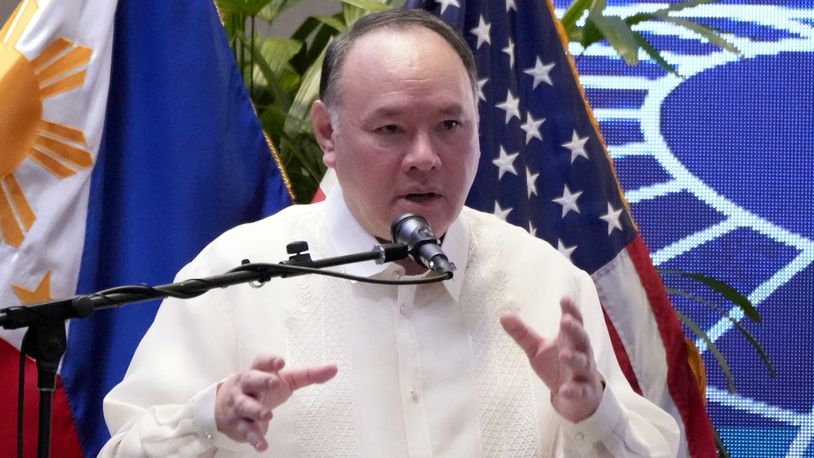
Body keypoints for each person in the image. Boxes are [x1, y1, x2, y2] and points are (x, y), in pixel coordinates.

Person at [101, 8, 679, 457]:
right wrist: (212, 420)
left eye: (450, 125)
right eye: (391, 128)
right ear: (328, 133)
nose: (425, 157)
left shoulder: (543, 280)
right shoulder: (236, 276)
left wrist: (591, 412)